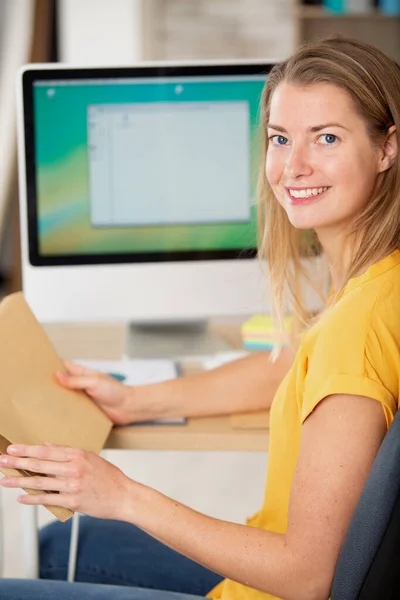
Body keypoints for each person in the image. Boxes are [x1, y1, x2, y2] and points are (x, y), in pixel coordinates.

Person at [1, 35, 400, 600]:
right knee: (65, 545)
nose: (293, 167)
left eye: (327, 138)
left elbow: (309, 577)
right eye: (280, 139)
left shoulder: (355, 332)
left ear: (388, 147)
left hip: (268, 588)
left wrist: (122, 495)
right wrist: (136, 402)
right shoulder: (380, 285)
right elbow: (291, 367)